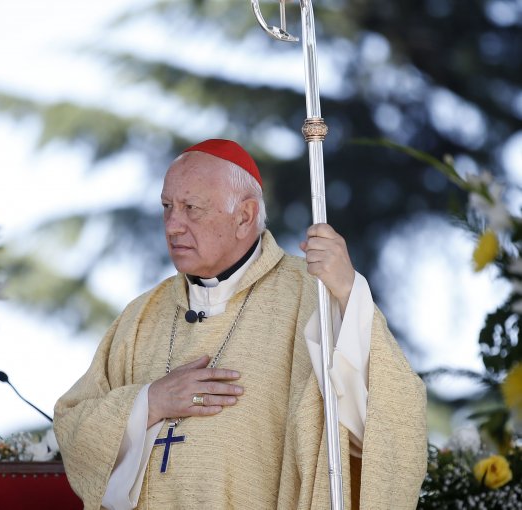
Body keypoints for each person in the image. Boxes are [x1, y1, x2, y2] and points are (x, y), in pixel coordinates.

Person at [54, 139, 427, 510]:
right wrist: (149, 402)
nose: (173, 225)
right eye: (167, 207)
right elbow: (73, 427)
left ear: (245, 216)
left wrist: (348, 291)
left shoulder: (313, 298)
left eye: (191, 208)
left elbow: (389, 418)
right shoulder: (141, 317)